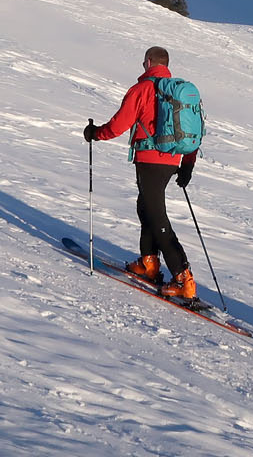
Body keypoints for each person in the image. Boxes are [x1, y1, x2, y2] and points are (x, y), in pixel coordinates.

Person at [83, 46, 200, 299]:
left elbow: (118, 125)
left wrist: (95, 134)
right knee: (145, 206)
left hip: (148, 160)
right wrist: (187, 165)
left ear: (148, 62)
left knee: (157, 217)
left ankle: (184, 279)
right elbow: (193, 130)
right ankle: (149, 263)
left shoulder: (143, 89)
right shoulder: (179, 93)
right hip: (172, 160)